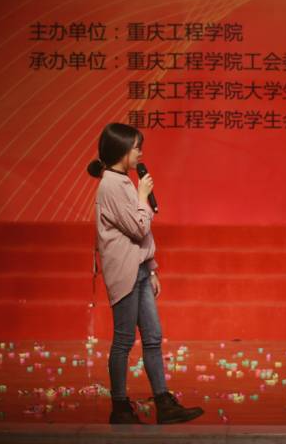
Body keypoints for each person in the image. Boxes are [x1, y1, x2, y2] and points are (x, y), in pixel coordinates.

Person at [86, 123, 203, 425]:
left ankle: (163, 402)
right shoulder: (111, 185)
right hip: (124, 271)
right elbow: (139, 228)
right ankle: (120, 408)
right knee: (124, 340)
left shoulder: (124, 180)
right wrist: (142, 196)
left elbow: (142, 235)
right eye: (136, 147)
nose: (140, 153)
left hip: (139, 268)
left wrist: (151, 269)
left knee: (153, 336)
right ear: (121, 150)